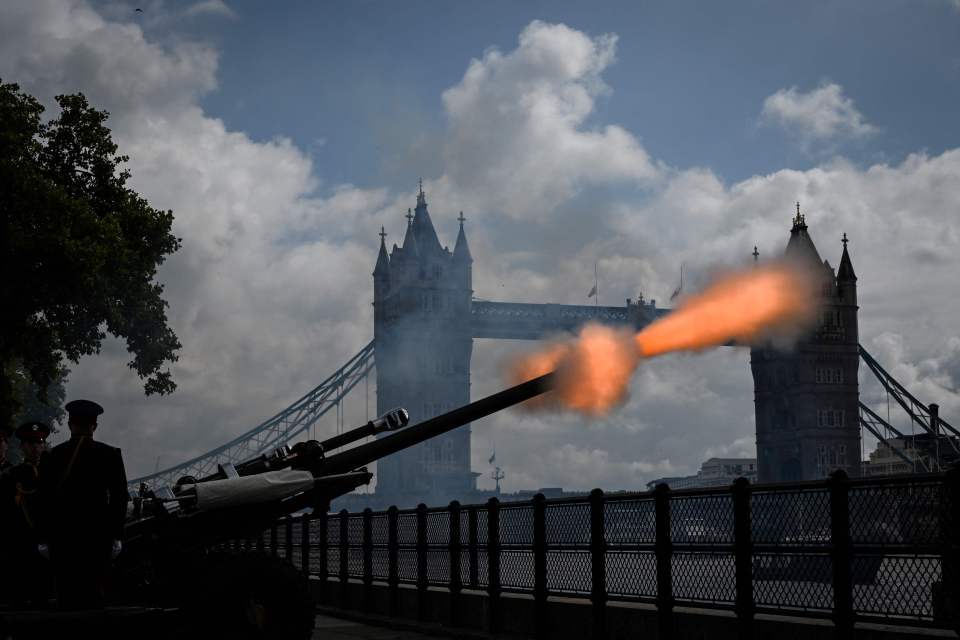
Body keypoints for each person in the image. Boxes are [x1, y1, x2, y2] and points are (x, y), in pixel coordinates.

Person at [37, 400, 128, 610]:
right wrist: (116, 535)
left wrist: (43, 537)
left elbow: (43, 500)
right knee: (96, 597)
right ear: (95, 426)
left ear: (70, 425)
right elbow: (119, 498)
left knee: (67, 597)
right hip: (98, 538)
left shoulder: (51, 456)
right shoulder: (111, 455)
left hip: (63, 538)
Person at [6, 421, 53, 607]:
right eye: (31, 443)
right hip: (22, 540)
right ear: (22, 446)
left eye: (39, 442)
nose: (36, 447)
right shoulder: (13, 475)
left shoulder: (52, 472)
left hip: (48, 538)